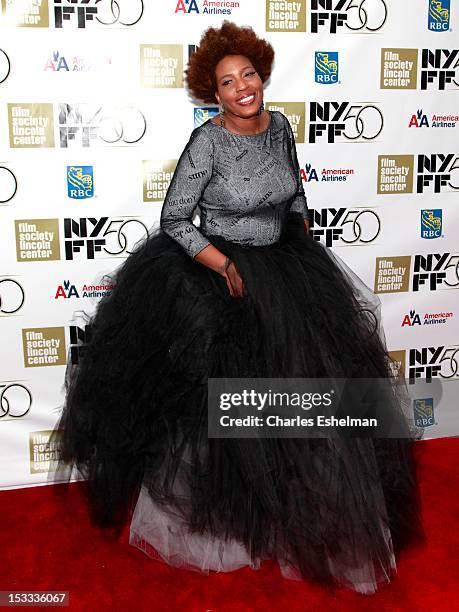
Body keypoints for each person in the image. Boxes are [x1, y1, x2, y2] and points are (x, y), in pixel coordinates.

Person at [48, 21, 425, 595]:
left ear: (261, 74)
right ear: (213, 93)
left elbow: (295, 191)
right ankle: (224, 530)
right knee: (223, 412)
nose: (242, 87)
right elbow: (174, 220)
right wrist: (224, 265)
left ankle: (294, 520)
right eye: (228, 81)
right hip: (221, 276)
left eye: (248, 73)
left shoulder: (279, 129)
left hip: (285, 269)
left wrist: (298, 239)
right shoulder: (207, 143)